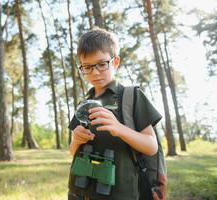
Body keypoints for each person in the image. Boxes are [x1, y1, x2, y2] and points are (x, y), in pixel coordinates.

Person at [68, 28, 162, 200]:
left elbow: (151, 146)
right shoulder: (83, 105)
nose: (95, 72)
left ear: (116, 62)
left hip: (121, 192)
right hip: (80, 191)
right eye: (87, 67)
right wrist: (76, 141)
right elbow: (72, 151)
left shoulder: (131, 96)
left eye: (102, 64)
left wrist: (119, 128)